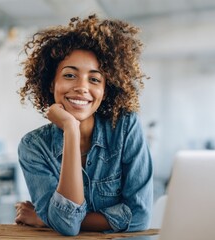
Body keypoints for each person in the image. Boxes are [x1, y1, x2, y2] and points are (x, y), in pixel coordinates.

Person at [15, 14, 153, 236]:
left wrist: (47, 219)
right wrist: (71, 129)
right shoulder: (33, 146)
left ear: (105, 90)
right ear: (52, 83)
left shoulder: (125, 126)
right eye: (70, 75)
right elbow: (68, 225)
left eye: (94, 79)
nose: (82, 87)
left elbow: (140, 217)